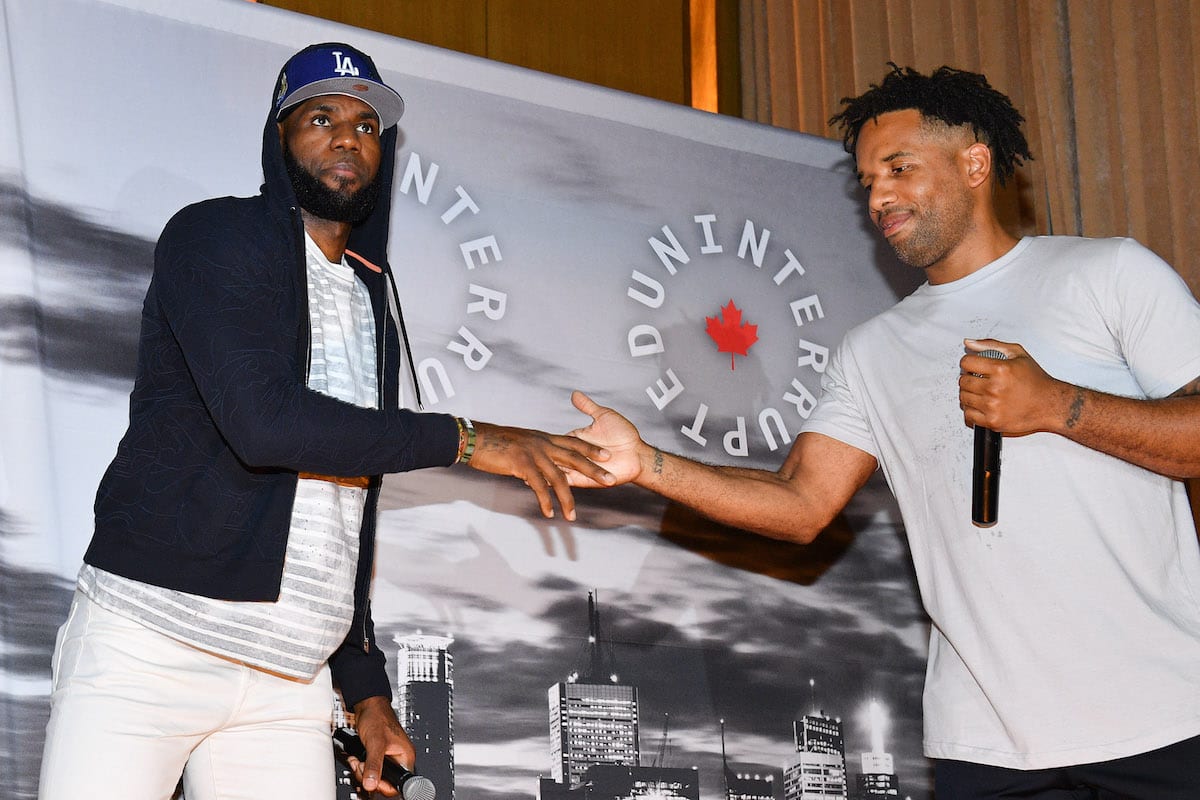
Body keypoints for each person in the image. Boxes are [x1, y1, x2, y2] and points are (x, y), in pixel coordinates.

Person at [568, 64, 1200, 798]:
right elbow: (801, 504)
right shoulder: (871, 350)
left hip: (1164, 715)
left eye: (898, 169)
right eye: (867, 181)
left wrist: (1059, 406)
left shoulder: (1109, 274)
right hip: (987, 742)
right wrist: (647, 464)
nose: (879, 197)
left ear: (974, 163)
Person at [39, 42, 614, 800]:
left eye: (368, 125)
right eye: (321, 117)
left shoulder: (369, 299)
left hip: (288, 681)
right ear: (280, 139)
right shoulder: (214, 238)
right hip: (153, 645)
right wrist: (470, 438)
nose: (349, 137)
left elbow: (345, 508)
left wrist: (367, 691)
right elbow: (265, 427)